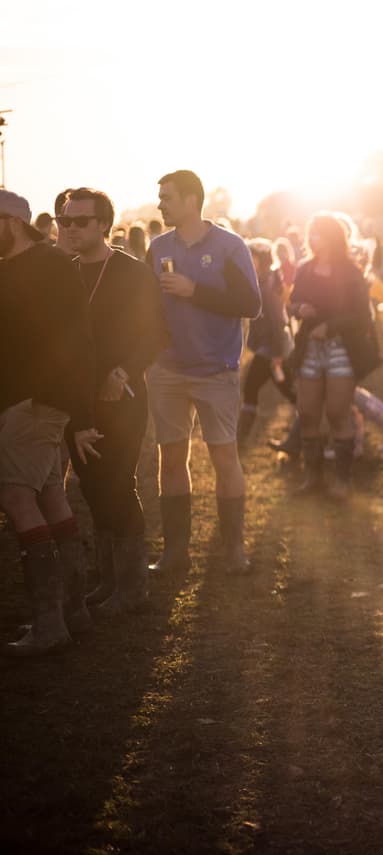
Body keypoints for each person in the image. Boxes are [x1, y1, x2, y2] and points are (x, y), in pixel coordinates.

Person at [53, 188, 168, 618]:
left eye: (81, 221)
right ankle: (108, 580)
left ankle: (132, 587)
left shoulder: (131, 273)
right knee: (92, 486)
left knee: (118, 484)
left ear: (104, 224)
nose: (71, 228)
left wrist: (124, 372)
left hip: (121, 397)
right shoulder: (63, 272)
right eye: (65, 221)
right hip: (76, 399)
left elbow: (156, 333)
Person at [0, 189, 102, 655]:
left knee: (14, 495)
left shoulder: (49, 266)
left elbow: (76, 340)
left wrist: (75, 410)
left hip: (37, 401)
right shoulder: (12, 268)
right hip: (25, 401)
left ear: (12, 222)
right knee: (48, 494)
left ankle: (49, 624)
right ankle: (72, 611)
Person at [147, 169, 261, 575]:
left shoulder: (230, 246)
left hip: (216, 370)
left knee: (224, 458)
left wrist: (194, 291)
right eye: (160, 197)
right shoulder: (158, 247)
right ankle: (175, 553)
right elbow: (145, 307)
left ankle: (233, 550)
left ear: (191, 200)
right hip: (167, 370)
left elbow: (251, 304)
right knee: (171, 458)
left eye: (167, 197)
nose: (160, 204)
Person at [289, 213, 380, 498]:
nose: (312, 238)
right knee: (307, 413)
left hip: (341, 348)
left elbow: (362, 316)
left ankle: (343, 481)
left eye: (318, 233)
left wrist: (330, 326)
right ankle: (312, 478)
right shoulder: (305, 269)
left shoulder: (350, 272)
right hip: (309, 349)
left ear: (331, 238)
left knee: (338, 413)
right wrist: (299, 309)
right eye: (311, 233)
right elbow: (292, 302)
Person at [239, 239, 294, 448]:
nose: (246, 261)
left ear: (261, 259)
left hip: (273, 348)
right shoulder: (260, 280)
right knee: (289, 390)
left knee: (251, 387)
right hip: (269, 346)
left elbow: (279, 321)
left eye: (250, 257)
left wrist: (278, 355)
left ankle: (239, 439)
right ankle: (304, 428)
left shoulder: (268, 285)